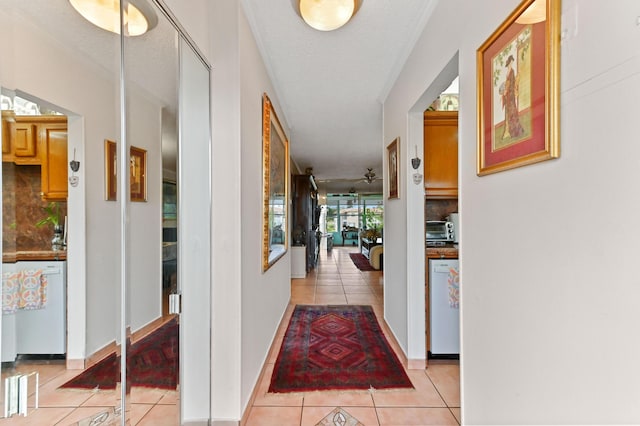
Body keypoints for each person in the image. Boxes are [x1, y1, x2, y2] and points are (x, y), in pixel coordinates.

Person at [501, 54, 524, 140]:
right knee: (508, 112)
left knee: (512, 111)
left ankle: (515, 130)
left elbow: (512, 83)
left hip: (510, 95)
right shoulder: (508, 71)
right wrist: (504, 91)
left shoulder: (512, 71)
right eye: (511, 62)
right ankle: (508, 130)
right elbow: (507, 83)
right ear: (509, 62)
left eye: (512, 62)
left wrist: (507, 90)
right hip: (507, 94)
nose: (512, 63)